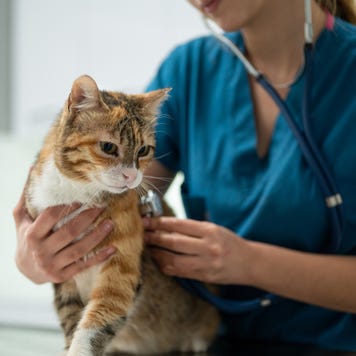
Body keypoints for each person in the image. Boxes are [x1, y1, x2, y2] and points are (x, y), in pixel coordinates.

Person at [13, 0, 356, 352]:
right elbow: (125, 200)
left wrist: (249, 264)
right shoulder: (190, 70)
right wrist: (36, 257)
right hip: (201, 343)